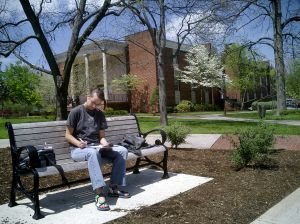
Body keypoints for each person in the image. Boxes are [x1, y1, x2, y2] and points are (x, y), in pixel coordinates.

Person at [65, 88, 130, 211]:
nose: (95, 106)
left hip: (96, 147)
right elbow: (67, 135)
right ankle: (99, 194)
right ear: (88, 97)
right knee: (92, 153)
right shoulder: (76, 112)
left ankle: (113, 188)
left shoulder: (99, 114)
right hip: (78, 150)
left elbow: (102, 137)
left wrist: (105, 144)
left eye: (98, 104)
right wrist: (79, 143)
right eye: (93, 102)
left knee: (122, 150)